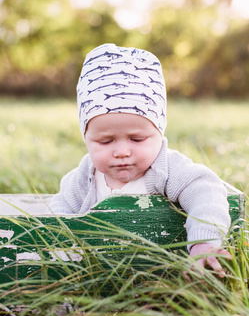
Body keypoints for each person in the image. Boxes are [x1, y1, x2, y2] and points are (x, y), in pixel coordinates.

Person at [47, 43, 232, 276]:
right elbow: (59, 213)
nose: (122, 151)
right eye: (105, 142)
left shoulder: (166, 168)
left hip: (162, 274)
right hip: (98, 275)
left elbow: (206, 190)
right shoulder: (84, 178)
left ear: (159, 133)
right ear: (86, 138)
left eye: (136, 139)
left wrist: (204, 242)